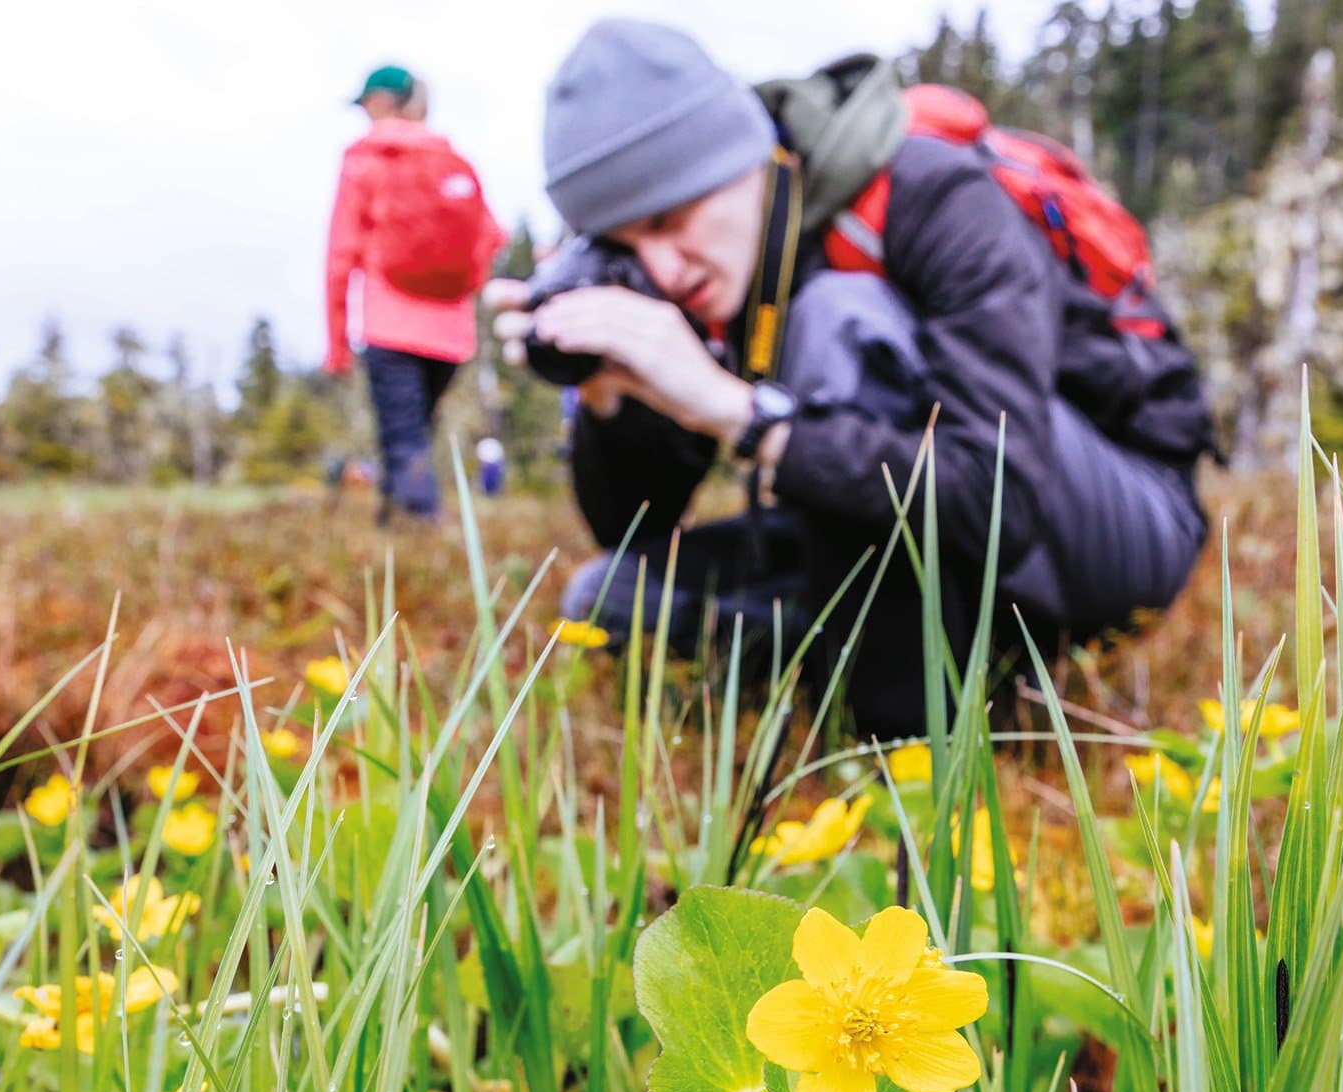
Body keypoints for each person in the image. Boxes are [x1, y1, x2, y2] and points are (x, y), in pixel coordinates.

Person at [489, 20, 1215, 740]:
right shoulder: (706, 269)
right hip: (912, 531)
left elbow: (998, 500)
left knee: (837, 319)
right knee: (611, 598)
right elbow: (634, 527)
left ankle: (906, 741)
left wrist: (746, 417)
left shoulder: (933, 194)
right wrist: (613, 394)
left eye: (669, 217)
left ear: (742, 157)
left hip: (1114, 521)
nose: (665, 268)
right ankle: (956, 672)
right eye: (626, 247)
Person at [325, 65, 506, 522]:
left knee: (403, 437)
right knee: (413, 433)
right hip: (451, 334)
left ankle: (421, 531)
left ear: (381, 103)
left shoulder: (365, 159)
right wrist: (462, 290)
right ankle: (395, 527)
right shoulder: (455, 161)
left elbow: (340, 254)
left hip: (390, 324)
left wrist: (337, 343)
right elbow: (491, 238)